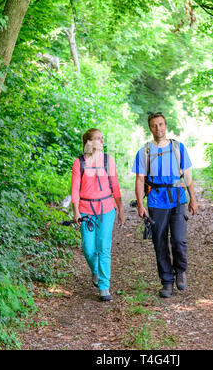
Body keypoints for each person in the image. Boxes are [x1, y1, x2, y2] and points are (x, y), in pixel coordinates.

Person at [132, 112, 198, 298]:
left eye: (161, 124)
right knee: (159, 242)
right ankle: (167, 281)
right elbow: (139, 180)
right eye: (154, 125)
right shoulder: (144, 151)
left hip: (177, 198)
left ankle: (180, 270)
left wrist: (193, 198)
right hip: (155, 200)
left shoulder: (178, 147)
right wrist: (140, 204)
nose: (158, 128)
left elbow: (187, 174)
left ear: (165, 125)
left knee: (178, 239)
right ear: (150, 128)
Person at [71, 128, 125, 301]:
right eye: (97, 139)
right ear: (88, 142)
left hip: (106, 209)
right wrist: (76, 211)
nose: (101, 142)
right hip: (86, 210)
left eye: (102, 139)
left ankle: (104, 286)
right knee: (88, 247)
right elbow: (74, 189)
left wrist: (121, 210)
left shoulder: (109, 160)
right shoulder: (79, 163)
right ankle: (96, 270)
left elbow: (115, 186)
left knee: (104, 247)